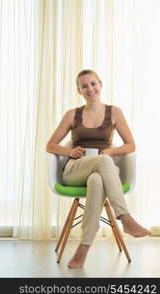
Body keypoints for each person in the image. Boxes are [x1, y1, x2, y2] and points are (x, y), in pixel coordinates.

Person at [46, 69, 150, 269]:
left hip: (104, 169)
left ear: (100, 85)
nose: (90, 88)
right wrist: (69, 152)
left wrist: (110, 152)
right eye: (84, 86)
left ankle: (83, 249)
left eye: (93, 84)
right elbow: (50, 145)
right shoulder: (72, 115)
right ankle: (125, 217)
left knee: (97, 178)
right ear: (79, 91)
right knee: (103, 163)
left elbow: (130, 145)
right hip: (75, 170)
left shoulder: (114, 112)